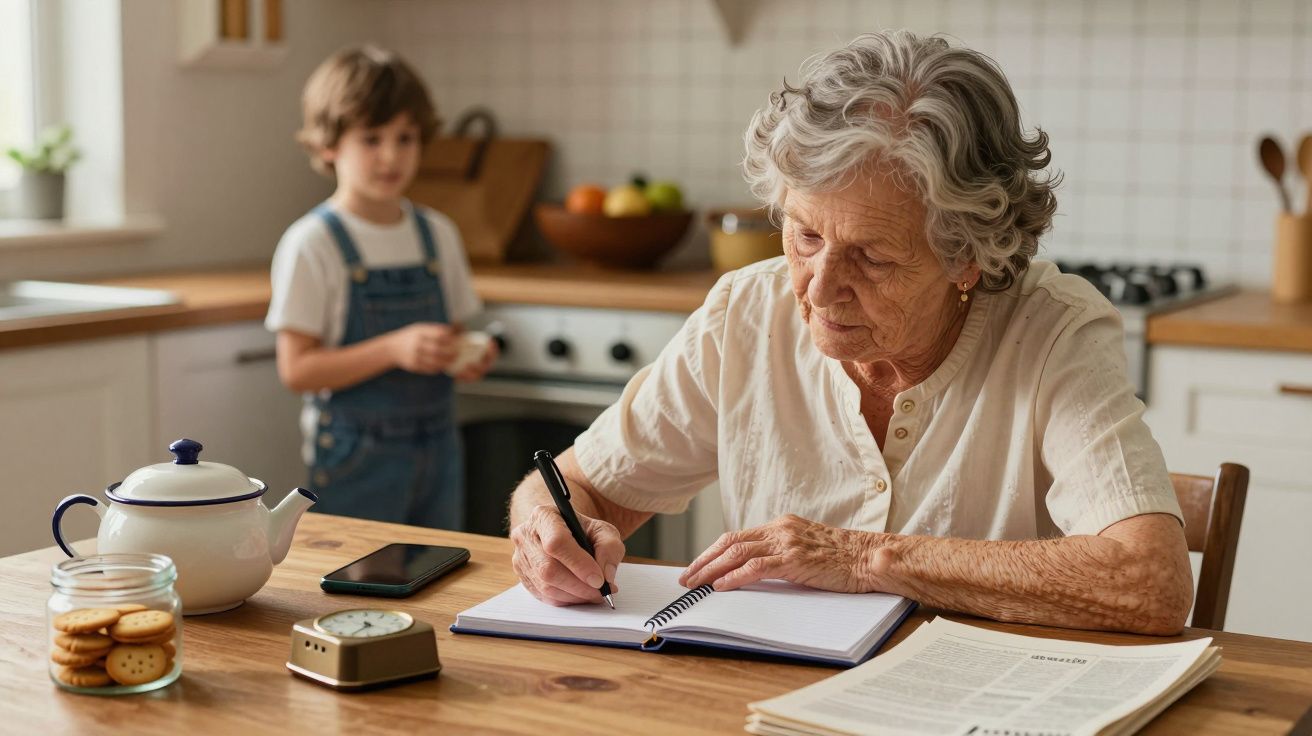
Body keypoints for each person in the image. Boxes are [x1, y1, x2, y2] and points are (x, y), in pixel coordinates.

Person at [505, 31, 1195, 635]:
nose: (817, 285)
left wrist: (866, 556)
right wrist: (548, 533)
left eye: (872, 256)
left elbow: (1149, 582)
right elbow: (577, 487)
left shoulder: (1053, 332)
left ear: (968, 257)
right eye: (804, 234)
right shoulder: (746, 312)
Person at [265, 46, 495, 529]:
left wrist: (463, 357)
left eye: (405, 138)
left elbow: (450, 335)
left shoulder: (438, 234)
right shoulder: (313, 243)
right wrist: (394, 349)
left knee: (438, 580)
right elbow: (297, 369)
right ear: (329, 145)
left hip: (439, 447)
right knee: (363, 584)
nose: (391, 156)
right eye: (371, 139)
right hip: (356, 458)